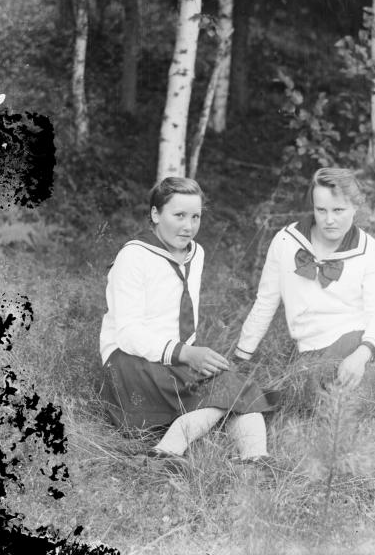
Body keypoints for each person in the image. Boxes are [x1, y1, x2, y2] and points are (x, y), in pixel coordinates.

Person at [100, 177, 274, 467]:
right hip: (130, 361)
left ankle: (256, 461)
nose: (188, 226)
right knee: (229, 388)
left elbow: (182, 314)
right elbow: (128, 334)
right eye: (179, 215)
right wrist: (186, 354)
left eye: (196, 217)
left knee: (232, 390)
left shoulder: (197, 252)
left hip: (173, 357)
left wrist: (189, 359)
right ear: (156, 214)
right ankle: (166, 451)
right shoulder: (133, 256)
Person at [234, 167, 375, 409]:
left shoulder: (368, 250)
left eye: (338, 210)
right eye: (321, 210)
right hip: (313, 351)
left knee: (349, 404)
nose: (329, 220)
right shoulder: (286, 241)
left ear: (355, 207)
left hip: (362, 345)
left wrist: (361, 355)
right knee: (300, 400)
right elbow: (265, 302)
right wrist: (240, 358)